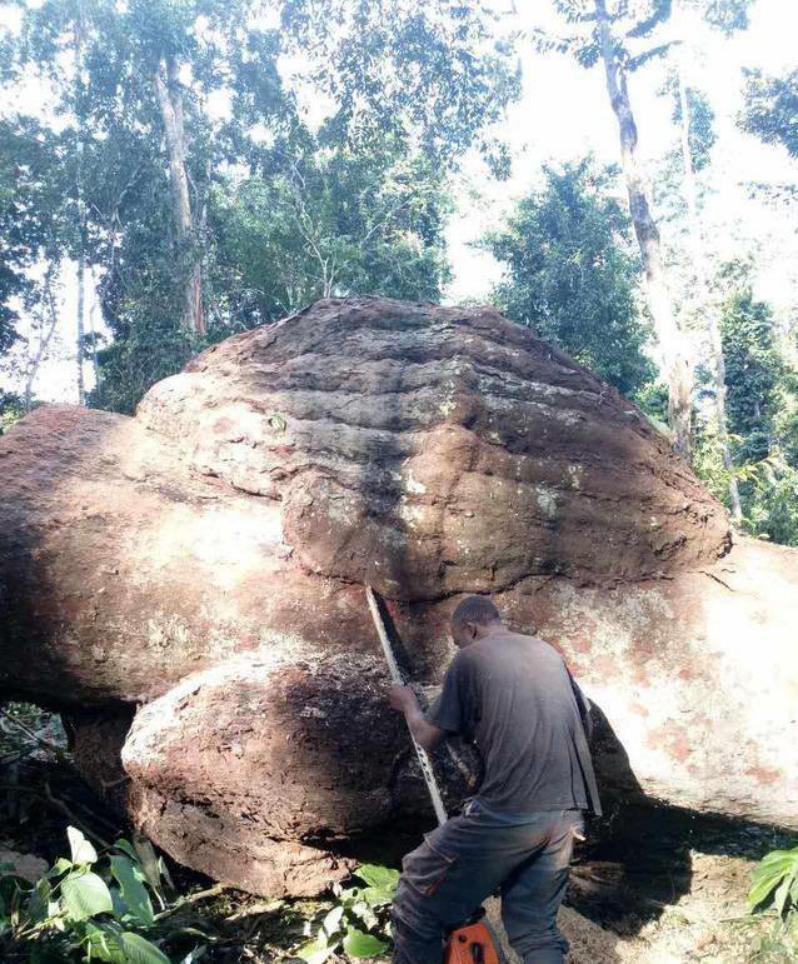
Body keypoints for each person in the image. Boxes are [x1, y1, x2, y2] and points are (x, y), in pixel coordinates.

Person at [387, 595, 601, 964]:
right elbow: (585, 719)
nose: (460, 646)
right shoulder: (545, 652)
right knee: (535, 927)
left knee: (415, 899)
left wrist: (407, 703)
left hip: (512, 810)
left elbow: (427, 738)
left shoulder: (472, 657)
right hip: (569, 811)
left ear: (470, 628)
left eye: (459, 639)